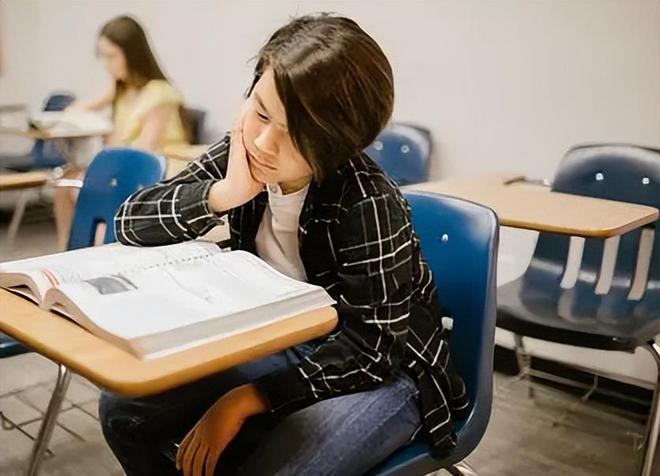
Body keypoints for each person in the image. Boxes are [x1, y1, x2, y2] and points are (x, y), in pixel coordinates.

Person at [100, 14, 468, 476]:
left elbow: (371, 350)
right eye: (260, 110)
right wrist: (223, 195)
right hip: (287, 343)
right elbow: (131, 220)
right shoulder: (244, 150)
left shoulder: (367, 200)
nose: (263, 141)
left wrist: (247, 399)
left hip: (388, 374)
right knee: (123, 409)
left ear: (338, 141)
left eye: (295, 131)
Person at [54, 15, 190, 249]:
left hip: (158, 167)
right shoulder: (121, 89)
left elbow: (146, 150)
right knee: (65, 180)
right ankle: (69, 250)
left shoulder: (160, 92)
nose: (106, 63)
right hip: (123, 162)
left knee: (91, 186)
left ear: (132, 54)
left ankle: (97, 249)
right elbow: (75, 111)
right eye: (102, 56)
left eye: (111, 56)